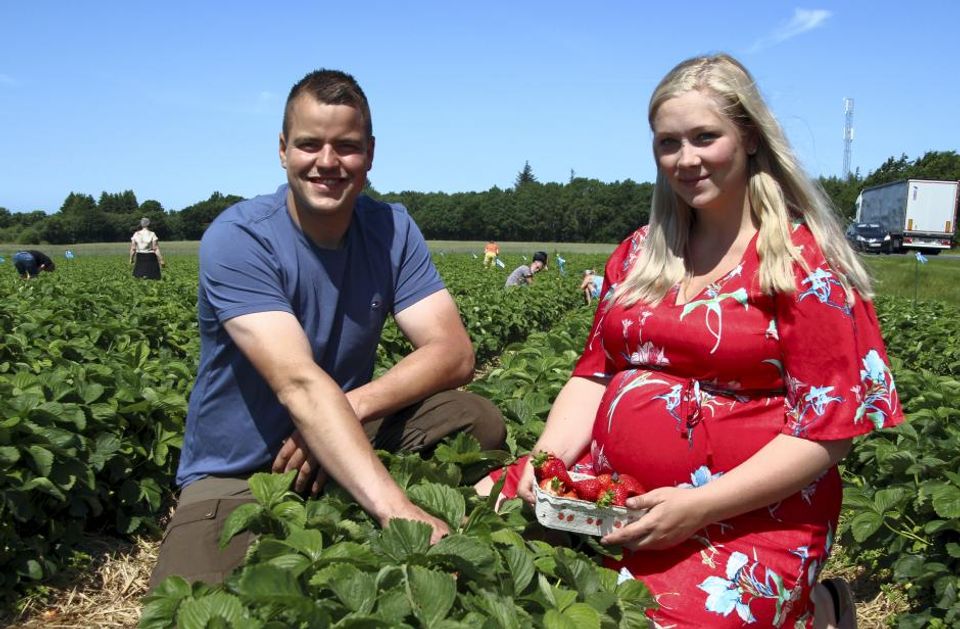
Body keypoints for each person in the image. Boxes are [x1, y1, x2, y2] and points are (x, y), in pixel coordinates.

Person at [479, 53, 902, 628]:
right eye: (668, 143)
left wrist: (697, 506)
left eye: (706, 137)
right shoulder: (639, 253)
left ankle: (819, 609)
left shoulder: (804, 265)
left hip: (749, 512)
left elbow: (830, 432)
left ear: (749, 136)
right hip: (604, 494)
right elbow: (594, 373)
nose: (686, 159)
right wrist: (549, 464)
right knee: (475, 544)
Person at [150, 69, 505, 588]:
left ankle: (348, 478)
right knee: (193, 608)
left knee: (477, 418)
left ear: (371, 152)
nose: (328, 163)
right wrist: (397, 509)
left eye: (347, 146)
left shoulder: (391, 228)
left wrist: (351, 408)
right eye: (309, 144)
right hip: (241, 471)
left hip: (343, 430)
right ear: (282, 149)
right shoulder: (240, 237)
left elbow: (453, 352)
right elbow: (297, 381)